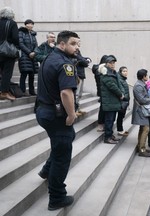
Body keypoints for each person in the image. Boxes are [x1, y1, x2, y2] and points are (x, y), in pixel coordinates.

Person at [36, 30, 79, 210]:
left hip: (43, 111)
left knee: (64, 141)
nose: (77, 48)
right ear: (62, 44)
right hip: (56, 114)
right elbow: (65, 92)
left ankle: (46, 171)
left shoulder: (49, 57)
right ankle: (56, 197)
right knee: (62, 155)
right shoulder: (65, 64)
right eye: (73, 44)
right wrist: (71, 115)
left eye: (78, 44)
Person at [98, 55, 123, 144]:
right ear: (106, 64)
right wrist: (120, 94)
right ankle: (107, 137)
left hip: (113, 101)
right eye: (111, 63)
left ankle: (110, 135)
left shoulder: (112, 72)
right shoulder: (105, 74)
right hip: (109, 101)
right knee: (109, 120)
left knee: (111, 120)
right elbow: (112, 86)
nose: (113, 64)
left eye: (113, 63)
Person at [131, 69, 150, 157]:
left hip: (142, 110)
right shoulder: (138, 86)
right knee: (146, 129)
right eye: (146, 75)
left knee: (143, 128)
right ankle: (142, 149)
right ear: (143, 76)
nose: (147, 77)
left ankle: (140, 146)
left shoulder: (141, 84)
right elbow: (141, 99)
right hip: (140, 110)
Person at [0, 6, 19, 101]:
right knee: (7, 73)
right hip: (7, 52)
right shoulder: (12, 23)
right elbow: (15, 38)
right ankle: (4, 92)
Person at [18, 19, 39, 95]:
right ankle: (22, 91)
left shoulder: (33, 34)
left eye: (32, 24)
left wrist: (34, 52)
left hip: (33, 56)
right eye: (29, 24)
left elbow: (36, 45)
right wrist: (29, 52)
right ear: (25, 24)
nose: (30, 25)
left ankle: (32, 91)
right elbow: (20, 44)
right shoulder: (21, 32)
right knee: (24, 74)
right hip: (24, 56)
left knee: (32, 74)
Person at [73, 43, 92, 116]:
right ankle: (74, 110)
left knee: (79, 94)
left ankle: (77, 108)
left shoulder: (78, 51)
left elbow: (83, 59)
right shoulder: (74, 52)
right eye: (78, 43)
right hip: (77, 75)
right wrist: (85, 61)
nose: (79, 45)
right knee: (76, 94)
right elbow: (83, 61)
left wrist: (85, 60)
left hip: (81, 75)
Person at [92, 55, 108, 132]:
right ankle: (100, 123)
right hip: (102, 91)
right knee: (102, 108)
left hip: (105, 91)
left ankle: (104, 123)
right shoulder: (98, 69)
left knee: (104, 108)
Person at [116, 66, 130, 136]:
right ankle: (120, 130)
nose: (125, 73)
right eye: (123, 71)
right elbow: (122, 91)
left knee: (121, 116)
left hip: (125, 100)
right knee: (120, 116)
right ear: (120, 72)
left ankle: (120, 129)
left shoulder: (123, 79)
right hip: (122, 101)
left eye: (126, 71)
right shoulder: (120, 79)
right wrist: (125, 97)